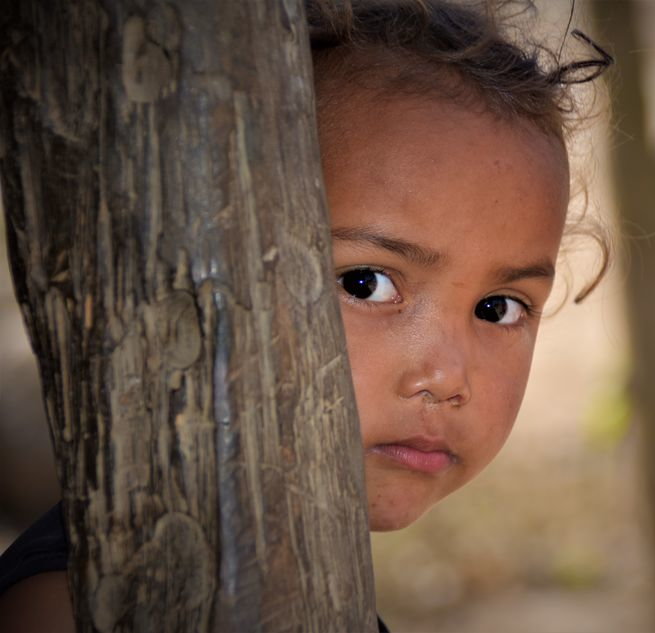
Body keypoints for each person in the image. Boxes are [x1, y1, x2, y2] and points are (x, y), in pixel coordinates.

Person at [0, 0, 610, 629]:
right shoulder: (80, 607)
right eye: (367, 284)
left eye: (498, 307)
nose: (447, 376)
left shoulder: (313, 595)